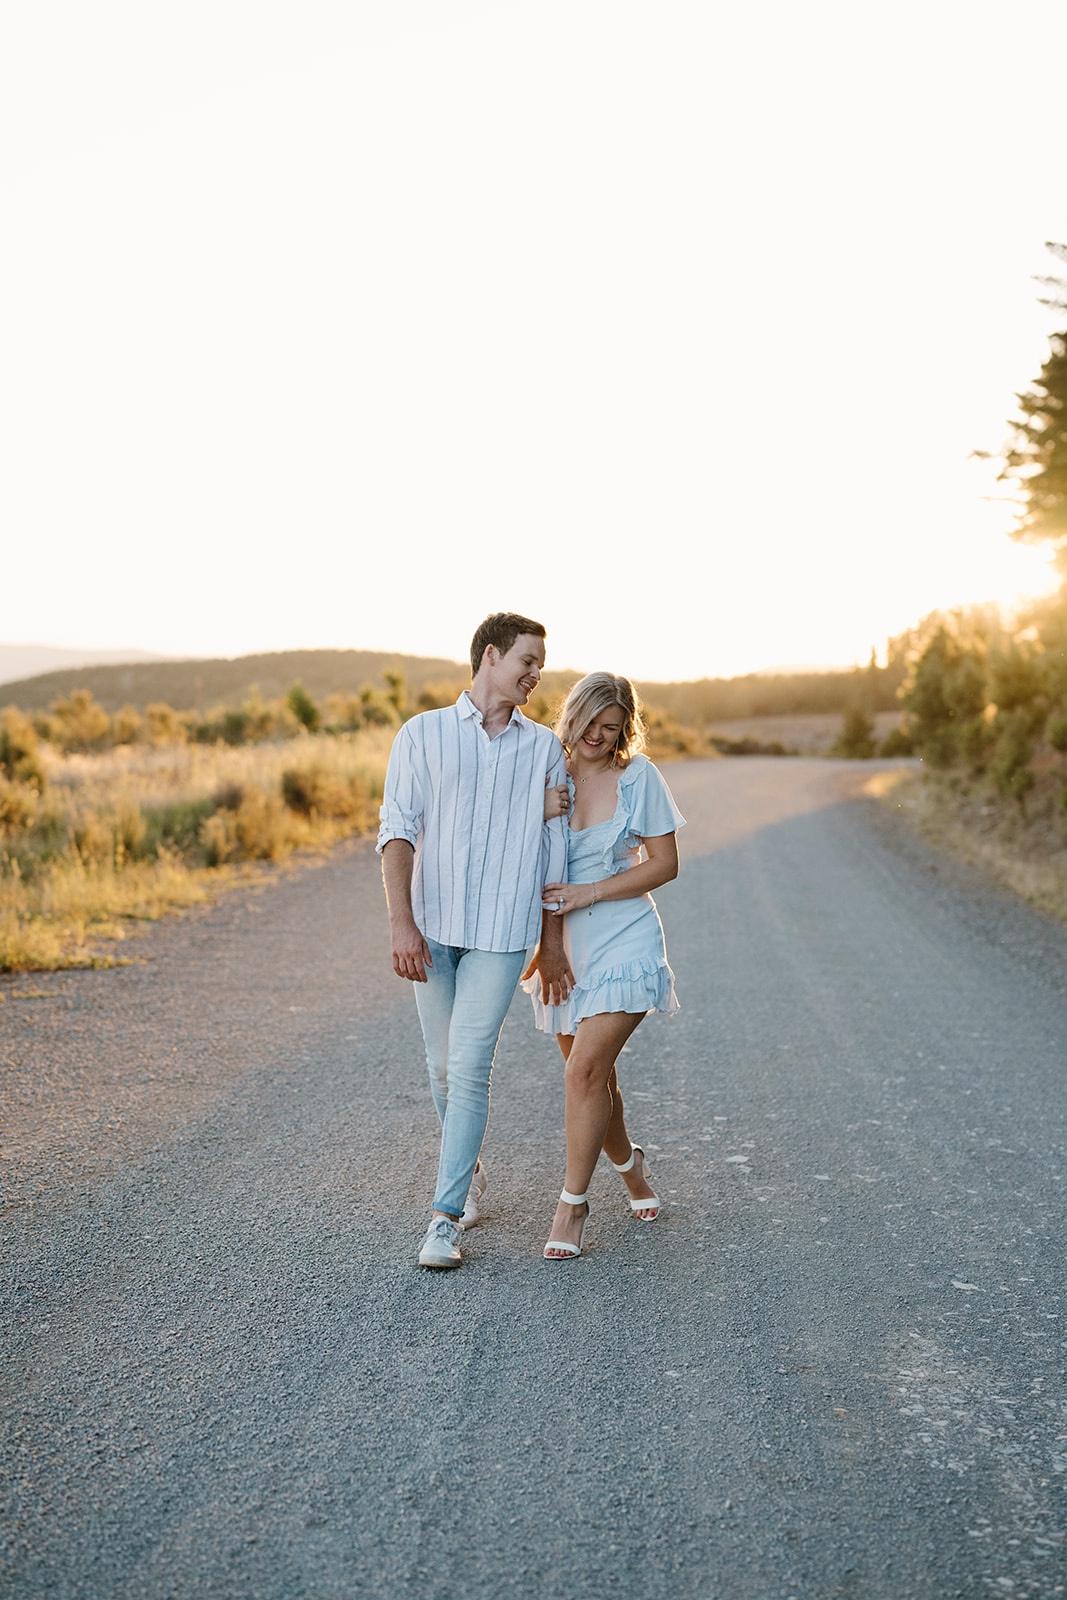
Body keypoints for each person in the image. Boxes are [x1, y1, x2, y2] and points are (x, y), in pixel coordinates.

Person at [377, 613, 573, 1270]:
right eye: (528, 660)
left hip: (499, 934)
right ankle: (471, 1171)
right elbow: (397, 832)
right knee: (440, 1068)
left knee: (469, 1067)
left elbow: (554, 848)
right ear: (490, 657)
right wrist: (401, 923)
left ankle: (443, 1217)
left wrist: (551, 941)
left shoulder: (543, 748)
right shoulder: (422, 735)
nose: (536, 674)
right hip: (431, 928)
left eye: (540, 664)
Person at [522, 672, 685, 1261]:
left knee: (584, 1071)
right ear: (573, 714)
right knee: (594, 1077)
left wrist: (590, 893)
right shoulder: (544, 769)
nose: (597, 736)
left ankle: (573, 1202)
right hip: (562, 945)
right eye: (590, 723)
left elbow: (664, 864)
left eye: (611, 728)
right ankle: (629, 1164)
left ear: (625, 728)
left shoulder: (639, 777)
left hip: (624, 937)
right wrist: (547, 945)